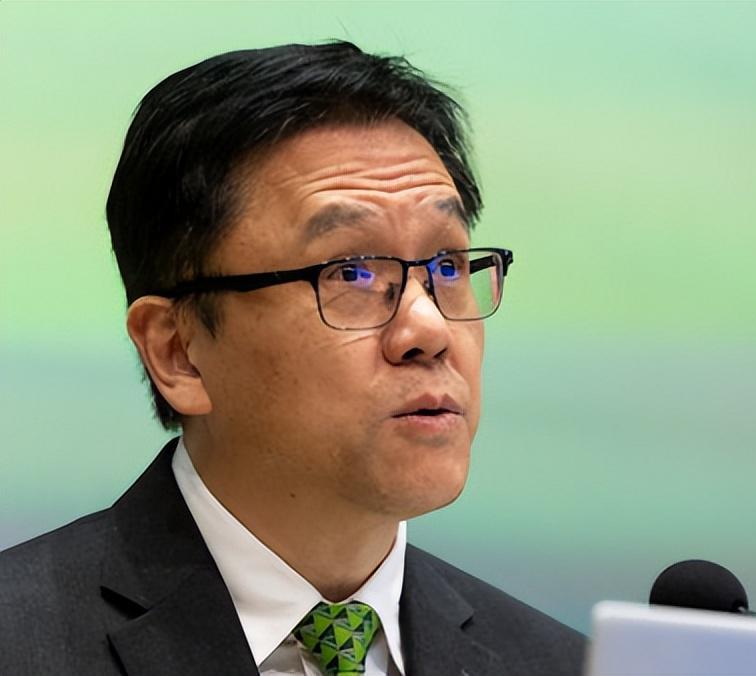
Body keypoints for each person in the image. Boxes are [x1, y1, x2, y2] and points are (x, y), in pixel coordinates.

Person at [0, 41, 586, 675]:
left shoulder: (563, 664)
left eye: (447, 266)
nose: (429, 328)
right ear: (178, 353)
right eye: (352, 272)